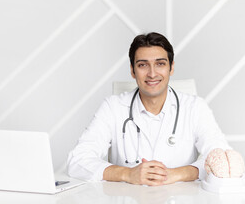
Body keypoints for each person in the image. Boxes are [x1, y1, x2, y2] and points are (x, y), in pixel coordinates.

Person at [67, 32, 230, 186]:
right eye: (143, 65)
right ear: (132, 70)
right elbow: (78, 160)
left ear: (171, 68)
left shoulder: (195, 107)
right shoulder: (113, 107)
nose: (152, 73)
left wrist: (177, 174)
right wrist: (127, 174)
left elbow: (223, 158)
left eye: (160, 64)